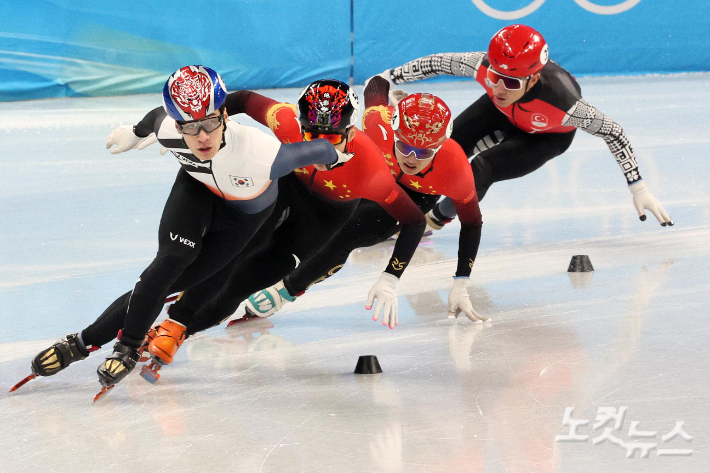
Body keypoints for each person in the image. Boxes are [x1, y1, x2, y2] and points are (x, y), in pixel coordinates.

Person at [14, 66, 354, 394]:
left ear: (224, 115)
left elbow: (316, 149)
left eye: (209, 123)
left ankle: (90, 340)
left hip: (242, 219)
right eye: (189, 127)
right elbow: (154, 119)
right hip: (197, 191)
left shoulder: (262, 154)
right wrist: (136, 132)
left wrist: (334, 156)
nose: (202, 136)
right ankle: (110, 346)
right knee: (169, 263)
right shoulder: (170, 129)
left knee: (181, 281)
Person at [139, 80, 428, 372]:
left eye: (332, 137)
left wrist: (391, 278)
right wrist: (190, 130)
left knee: (246, 281)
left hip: (323, 218)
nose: (321, 146)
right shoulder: (284, 117)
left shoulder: (372, 170)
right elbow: (238, 100)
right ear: (300, 125)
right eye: (312, 135)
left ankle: (177, 331)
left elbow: (414, 220)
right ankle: (172, 319)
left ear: (350, 132)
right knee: (227, 258)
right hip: (284, 189)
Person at [224, 76, 489, 328]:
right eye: (404, 145)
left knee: (351, 233)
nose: (411, 157)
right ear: (393, 130)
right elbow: (376, 84)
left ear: (441, 145)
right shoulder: (379, 124)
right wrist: (387, 81)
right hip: (372, 178)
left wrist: (461, 282)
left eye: (424, 152)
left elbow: (472, 223)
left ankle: (284, 292)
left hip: (417, 196)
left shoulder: (456, 171)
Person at [375, 24, 673, 230]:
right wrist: (389, 77)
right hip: (499, 113)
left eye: (511, 82)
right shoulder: (486, 70)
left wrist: (639, 188)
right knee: (436, 149)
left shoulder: (565, 104)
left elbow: (613, 132)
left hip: (545, 137)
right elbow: (438, 62)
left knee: (481, 168)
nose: (499, 85)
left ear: (532, 79)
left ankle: (434, 219)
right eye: (494, 76)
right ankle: (400, 211)